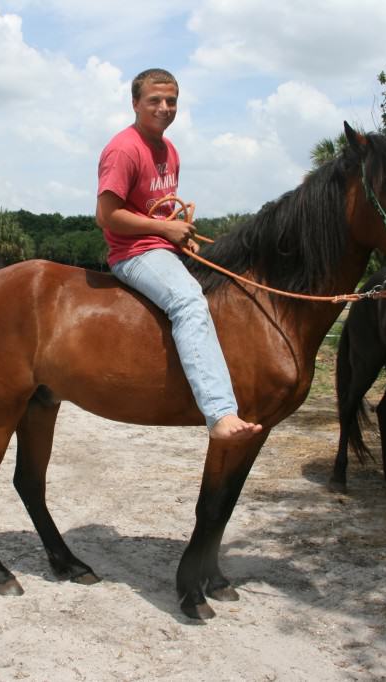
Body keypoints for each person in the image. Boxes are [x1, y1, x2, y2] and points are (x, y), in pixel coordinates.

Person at [95, 68, 262, 441]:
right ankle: (219, 412)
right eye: (154, 100)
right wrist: (165, 230)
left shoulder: (169, 151)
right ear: (135, 103)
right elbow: (106, 216)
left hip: (162, 246)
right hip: (132, 253)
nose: (164, 107)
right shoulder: (124, 148)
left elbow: (159, 210)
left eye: (171, 101)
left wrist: (179, 235)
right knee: (189, 301)